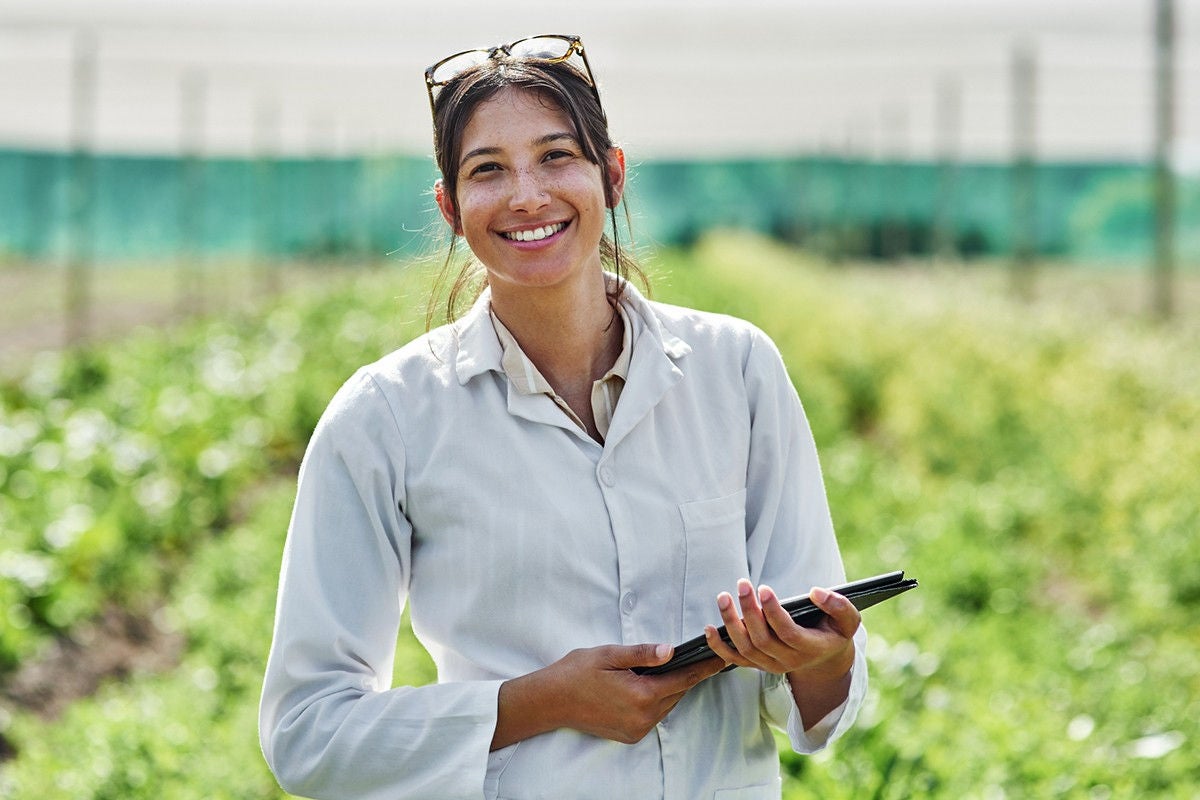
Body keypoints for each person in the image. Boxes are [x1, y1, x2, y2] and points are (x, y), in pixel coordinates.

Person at [259, 33, 867, 800]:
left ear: (610, 175)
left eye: (556, 157)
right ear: (451, 206)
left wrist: (825, 661)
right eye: (488, 170)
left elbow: (820, 705)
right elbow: (307, 734)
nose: (526, 196)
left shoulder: (736, 370)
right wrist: (534, 703)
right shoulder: (386, 419)